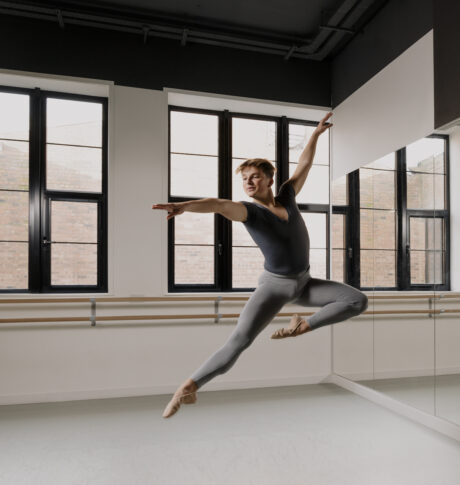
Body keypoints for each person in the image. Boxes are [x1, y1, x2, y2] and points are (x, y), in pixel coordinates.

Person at [153, 112, 368, 418]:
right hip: (274, 286)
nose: (248, 182)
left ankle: (301, 326)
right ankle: (187, 387)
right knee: (239, 342)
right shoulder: (248, 213)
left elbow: (304, 166)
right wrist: (184, 207)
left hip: (304, 283)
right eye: (243, 179)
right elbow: (216, 204)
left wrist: (316, 136)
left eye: (254, 176)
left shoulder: (288, 197)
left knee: (357, 300)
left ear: (269, 178)